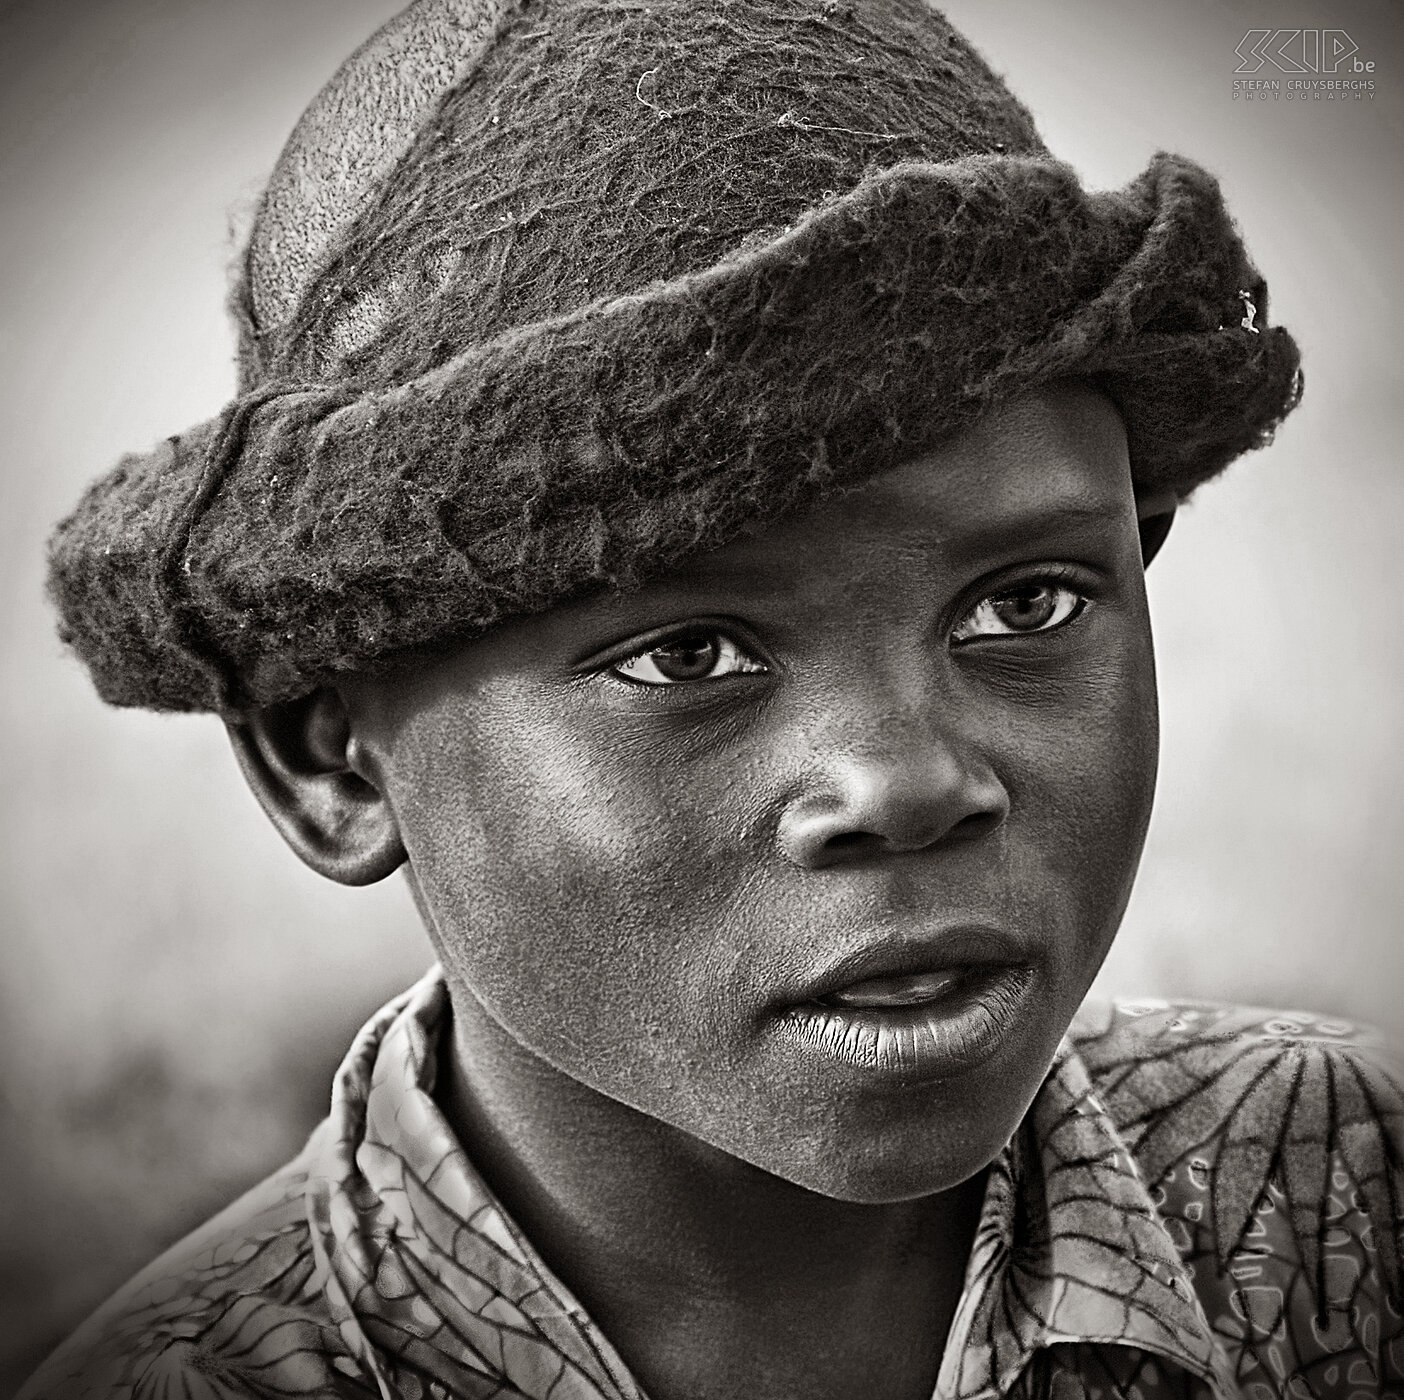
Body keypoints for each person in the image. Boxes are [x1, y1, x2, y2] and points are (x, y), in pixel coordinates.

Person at [21, 0, 1402, 1397]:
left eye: (1024, 604)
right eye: (688, 656)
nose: (905, 780)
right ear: (334, 761)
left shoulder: (1348, 1188)